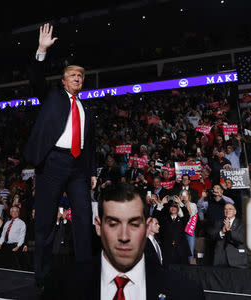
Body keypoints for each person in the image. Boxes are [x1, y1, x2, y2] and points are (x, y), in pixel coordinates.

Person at [44, 183, 204, 299]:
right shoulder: (61, 288)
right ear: (98, 226)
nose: (124, 236)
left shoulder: (186, 293)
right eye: (113, 224)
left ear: (147, 226)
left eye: (134, 224)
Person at [24, 23, 96, 280]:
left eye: (81, 76)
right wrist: (42, 50)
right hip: (52, 162)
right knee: (45, 223)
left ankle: (85, 275)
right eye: (73, 75)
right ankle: (42, 278)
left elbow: (91, 143)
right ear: (64, 80)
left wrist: (92, 171)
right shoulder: (52, 96)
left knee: (84, 219)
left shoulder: (87, 109)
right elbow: (36, 79)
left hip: (78, 167)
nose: (78, 78)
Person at [210, 203, 248, 268]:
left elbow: (241, 239)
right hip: (220, 260)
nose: (227, 211)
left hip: (237, 260)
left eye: (230, 209)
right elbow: (212, 237)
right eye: (225, 209)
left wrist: (229, 230)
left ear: (235, 212)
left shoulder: (242, 224)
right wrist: (222, 232)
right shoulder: (218, 223)